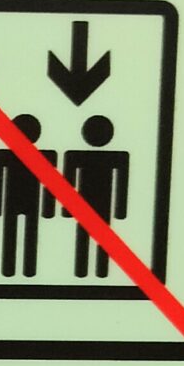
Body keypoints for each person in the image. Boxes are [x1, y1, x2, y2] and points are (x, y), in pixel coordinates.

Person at [0, 113, 57, 278]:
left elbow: (51, 185)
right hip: (22, 202)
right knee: (17, 233)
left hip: (25, 202)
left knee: (24, 234)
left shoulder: (45, 156)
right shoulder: (3, 156)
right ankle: (16, 270)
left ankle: (20, 270)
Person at [62, 114, 129, 278]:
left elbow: (121, 184)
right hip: (93, 205)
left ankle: (94, 271)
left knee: (96, 238)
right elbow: (68, 181)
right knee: (87, 237)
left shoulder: (117, 158)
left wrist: (120, 210)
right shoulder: (76, 156)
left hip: (97, 204)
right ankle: (86, 271)